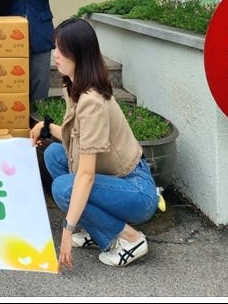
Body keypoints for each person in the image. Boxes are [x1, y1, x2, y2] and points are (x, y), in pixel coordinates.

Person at [32, 18, 158, 269]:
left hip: (135, 190)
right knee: (54, 154)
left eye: (62, 50)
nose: (55, 55)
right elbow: (76, 136)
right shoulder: (74, 85)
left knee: (64, 189)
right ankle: (96, 228)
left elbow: (87, 174)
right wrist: (44, 128)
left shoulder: (91, 101)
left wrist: (67, 229)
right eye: (56, 47)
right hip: (115, 179)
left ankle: (130, 239)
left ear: (79, 54)